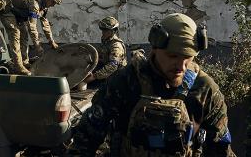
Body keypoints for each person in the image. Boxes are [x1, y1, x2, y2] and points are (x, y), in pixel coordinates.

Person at [70, 13, 235, 157]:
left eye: (188, 57)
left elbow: (220, 147)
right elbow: (86, 138)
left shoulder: (205, 90)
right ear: (155, 48)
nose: (181, 66)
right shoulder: (125, 82)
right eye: (172, 56)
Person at [0, 0, 62, 75]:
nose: (53, 5)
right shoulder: (35, 4)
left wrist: (51, 41)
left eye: (55, 3)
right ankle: (18, 66)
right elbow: (32, 27)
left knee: (24, 35)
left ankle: (25, 62)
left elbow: (45, 24)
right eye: (53, 2)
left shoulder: (44, 6)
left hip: (18, 15)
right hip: (7, 11)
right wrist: (38, 46)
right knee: (15, 34)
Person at [82, 16, 127, 86]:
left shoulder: (116, 46)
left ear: (113, 31)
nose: (103, 32)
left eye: (106, 30)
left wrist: (94, 76)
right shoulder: (106, 41)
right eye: (103, 30)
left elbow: (112, 66)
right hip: (105, 72)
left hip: (116, 77)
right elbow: (100, 56)